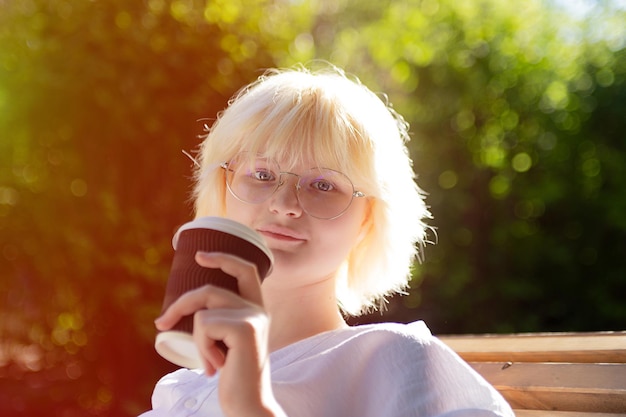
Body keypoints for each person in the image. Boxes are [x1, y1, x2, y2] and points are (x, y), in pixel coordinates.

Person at [141, 64, 514, 417]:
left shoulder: (393, 357)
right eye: (262, 173)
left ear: (368, 219)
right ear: (223, 188)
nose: (284, 204)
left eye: (323, 185)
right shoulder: (183, 383)